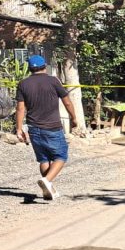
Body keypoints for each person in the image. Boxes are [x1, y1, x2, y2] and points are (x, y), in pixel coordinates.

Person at [14, 55, 77, 201]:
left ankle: (48, 189)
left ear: (30, 68)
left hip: (34, 128)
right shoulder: (53, 81)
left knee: (44, 159)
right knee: (60, 156)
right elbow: (67, 102)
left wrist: (18, 128)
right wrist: (73, 118)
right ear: (45, 66)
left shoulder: (23, 84)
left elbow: (20, 109)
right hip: (53, 127)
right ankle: (47, 181)